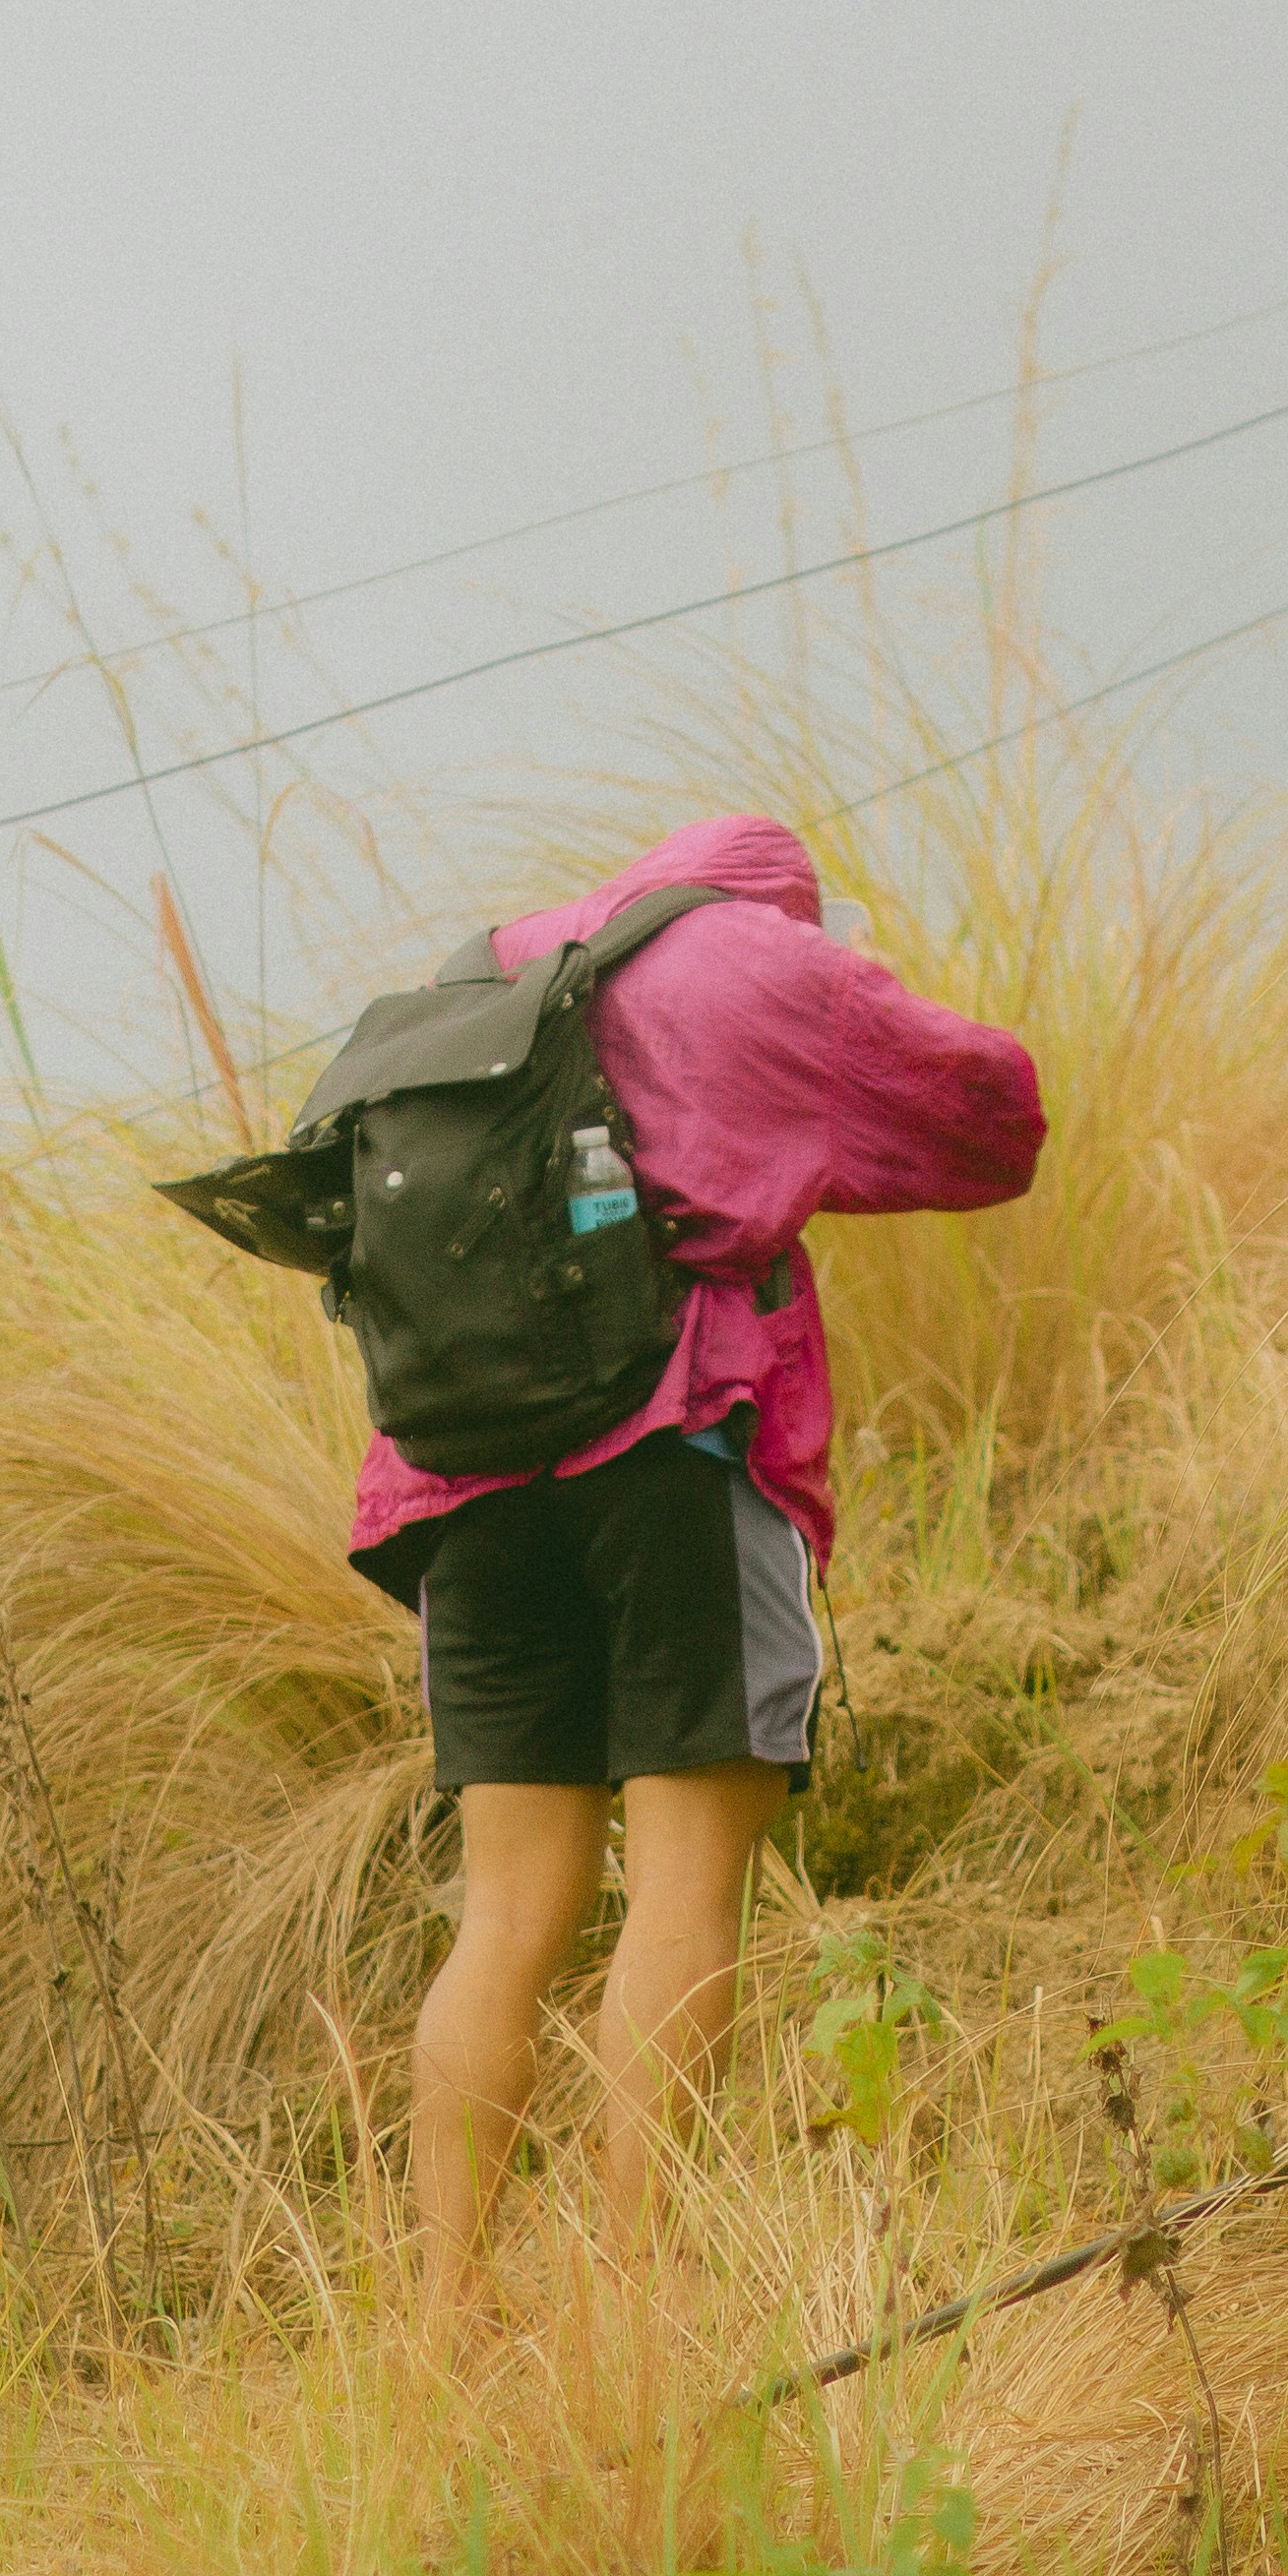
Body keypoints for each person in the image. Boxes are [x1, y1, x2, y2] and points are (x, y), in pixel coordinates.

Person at [348, 814, 1044, 2355]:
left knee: (508, 1911)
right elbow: (992, 1122)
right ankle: (632, 2305)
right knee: (680, 1882)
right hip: (676, 1450)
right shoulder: (754, 958)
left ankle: (447, 2319)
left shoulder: (479, 980)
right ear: (788, 906)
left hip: (462, 1488)